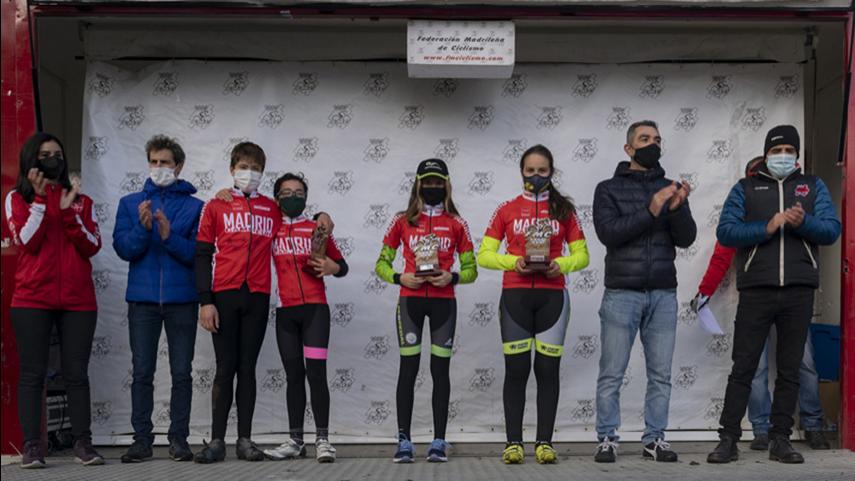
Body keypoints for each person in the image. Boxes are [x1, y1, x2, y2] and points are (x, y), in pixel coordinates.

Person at [708, 125, 841, 464]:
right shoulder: (746, 188)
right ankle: (728, 438)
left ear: (797, 154)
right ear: (766, 153)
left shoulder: (813, 186)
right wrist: (766, 227)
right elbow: (727, 230)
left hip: (799, 290)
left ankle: (781, 439)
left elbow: (831, 230)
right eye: (777, 150)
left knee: (790, 369)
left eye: (789, 150)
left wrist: (802, 222)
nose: (783, 156)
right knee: (744, 367)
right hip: (757, 290)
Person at [477, 144, 589, 465]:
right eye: (530, 171)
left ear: (551, 172)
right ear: (521, 172)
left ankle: (544, 443)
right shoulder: (506, 210)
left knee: (547, 370)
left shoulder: (564, 210)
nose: (536, 176)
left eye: (542, 171)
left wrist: (561, 265)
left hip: (553, 297)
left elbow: (582, 255)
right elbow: (484, 255)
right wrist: (514, 262)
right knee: (516, 370)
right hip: (516, 296)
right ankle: (513, 443)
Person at [592, 121, 696, 463]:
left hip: (663, 293)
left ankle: (655, 439)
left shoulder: (670, 188)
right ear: (629, 148)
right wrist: (651, 209)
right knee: (612, 373)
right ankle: (607, 438)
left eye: (657, 140)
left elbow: (686, 239)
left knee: (661, 375)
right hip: (622, 293)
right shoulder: (607, 189)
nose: (653, 144)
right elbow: (610, 233)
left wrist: (677, 208)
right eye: (644, 139)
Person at [6, 133, 104, 468]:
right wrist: (39, 200)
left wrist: (66, 212)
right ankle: (32, 446)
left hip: (78, 300)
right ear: (31, 160)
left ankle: (83, 444)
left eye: (58, 154)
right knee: (33, 374)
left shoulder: (81, 200)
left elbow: (92, 245)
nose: (52, 159)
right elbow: (27, 242)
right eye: (45, 154)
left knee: (76, 373)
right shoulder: (16, 198)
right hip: (32, 297)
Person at [375, 158, 477, 463]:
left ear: (446, 185)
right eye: (427, 182)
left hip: (444, 301)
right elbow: (381, 263)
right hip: (410, 300)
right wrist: (398, 277)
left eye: (437, 182)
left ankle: (438, 441)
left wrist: (453, 276)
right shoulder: (401, 221)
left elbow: (471, 269)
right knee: (408, 370)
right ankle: (404, 441)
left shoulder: (457, 223)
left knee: (440, 371)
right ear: (418, 184)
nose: (432, 187)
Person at [112, 135, 203, 463]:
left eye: (165, 162)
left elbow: (198, 254)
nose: (159, 167)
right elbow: (124, 249)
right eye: (154, 161)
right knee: (142, 372)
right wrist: (142, 228)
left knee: (182, 372)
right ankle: (141, 441)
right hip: (142, 300)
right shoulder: (129, 203)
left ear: (178, 166)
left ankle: (179, 439)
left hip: (182, 301)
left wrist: (167, 236)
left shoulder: (196, 207)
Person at [193, 141, 281, 463]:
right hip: (225, 295)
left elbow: (297, 219)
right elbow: (202, 255)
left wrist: (322, 215)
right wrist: (206, 301)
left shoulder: (271, 208)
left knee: (247, 369)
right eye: (244, 167)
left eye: (256, 168)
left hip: (257, 296)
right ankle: (217, 441)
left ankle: (245, 440)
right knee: (224, 368)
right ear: (232, 170)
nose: (249, 173)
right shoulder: (216, 206)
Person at [261, 173, 348, 463]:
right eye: (286, 192)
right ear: (276, 199)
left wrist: (332, 266)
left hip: (315, 312)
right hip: (285, 313)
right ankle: (296, 440)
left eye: (299, 192)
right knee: (293, 376)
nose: (293, 196)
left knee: (316, 374)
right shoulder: (270, 228)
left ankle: (323, 440)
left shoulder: (317, 228)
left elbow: (343, 266)